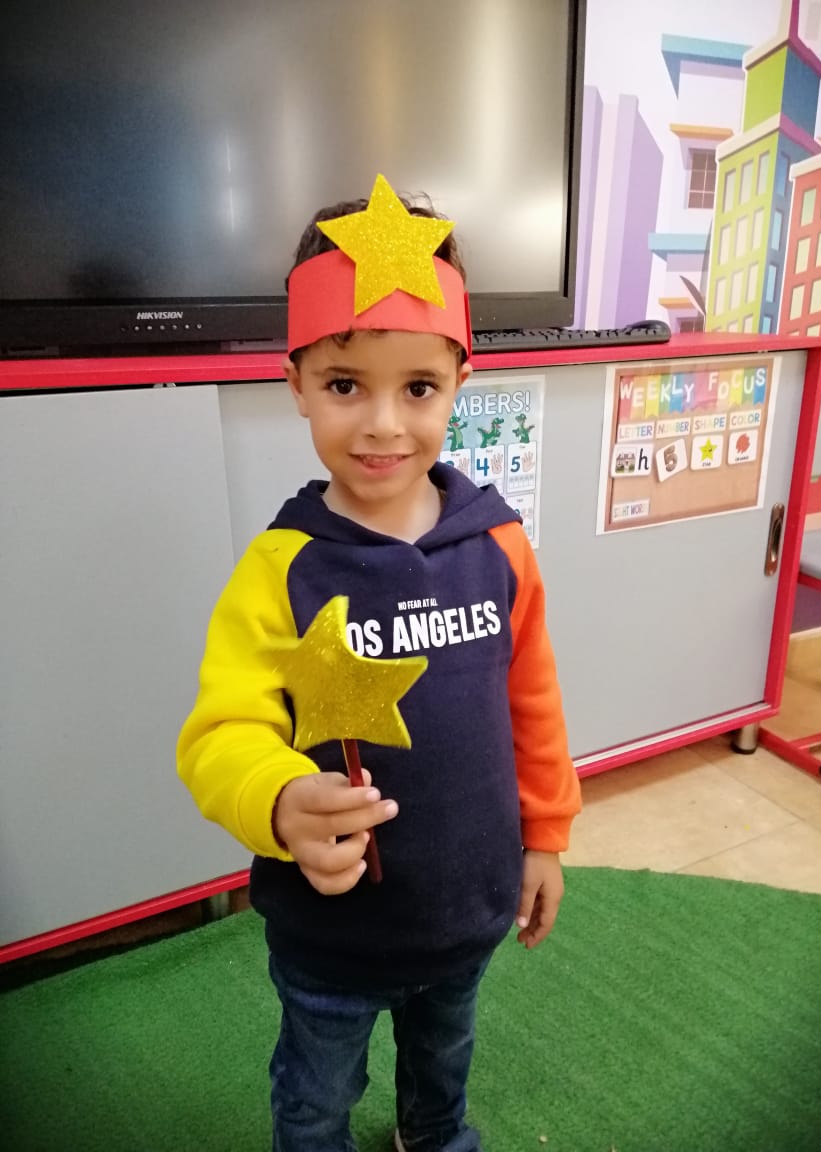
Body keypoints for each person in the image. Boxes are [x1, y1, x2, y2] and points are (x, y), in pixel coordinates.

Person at [177, 173, 581, 1152]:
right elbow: (222, 733)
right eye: (345, 385)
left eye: (419, 388)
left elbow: (532, 701)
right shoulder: (282, 569)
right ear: (297, 384)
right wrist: (278, 799)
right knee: (316, 1099)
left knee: (443, 1071)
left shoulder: (500, 547)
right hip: (333, 938)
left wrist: (545, 837)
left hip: (466, 910)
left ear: (459, 383)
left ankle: (431, 1138)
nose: (383, 424)